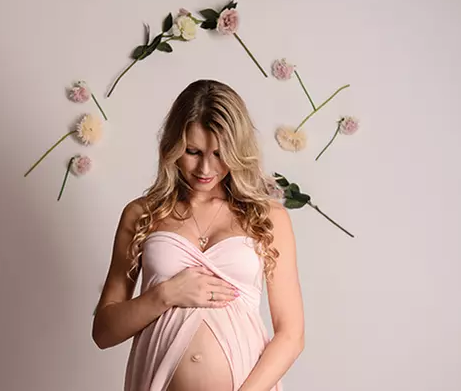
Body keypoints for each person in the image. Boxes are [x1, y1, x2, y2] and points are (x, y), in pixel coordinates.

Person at [92, 79, 305, 391]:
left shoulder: (268, 217)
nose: (205, 168)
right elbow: (103, 332)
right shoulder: (142, 214)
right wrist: (165, 295)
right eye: (193, 151)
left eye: (219, 154)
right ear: (173, 147)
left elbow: (291, 334)